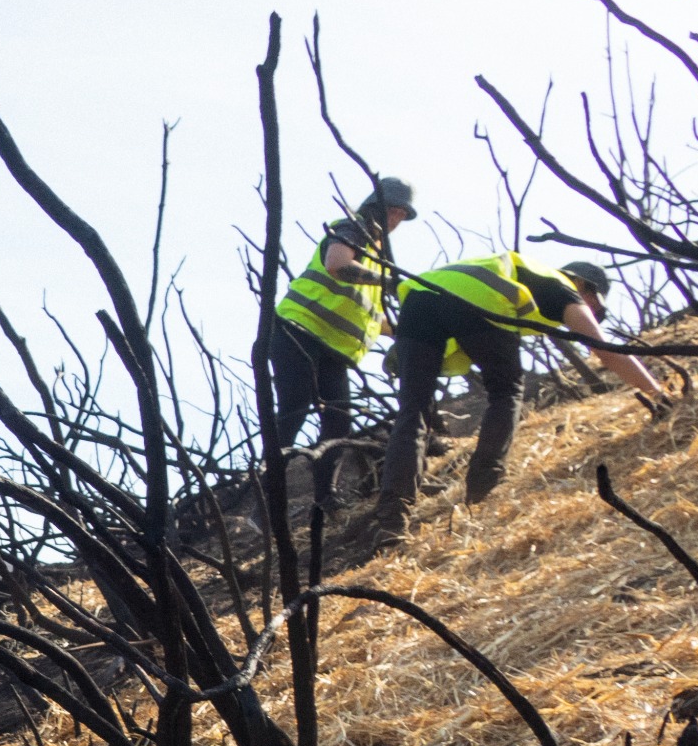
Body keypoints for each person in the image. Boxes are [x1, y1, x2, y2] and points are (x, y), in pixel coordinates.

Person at [372, 253, 669, 535]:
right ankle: (482, 487)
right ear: (585, 287)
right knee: (506, 391)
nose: (594, 313)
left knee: (413, 411)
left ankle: (391, 521)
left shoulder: (522, 273)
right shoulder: (561, 288)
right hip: (475, 299)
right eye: (597, 307)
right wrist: (658, 394)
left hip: (417, 298)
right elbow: (607, 352)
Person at [271, 175, 414, 505]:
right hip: (300, 332)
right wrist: (390, 282)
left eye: (402, 215)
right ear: (378, 207)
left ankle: (326, 497)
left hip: (332, 350)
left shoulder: (375, 251)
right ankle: (269, 485)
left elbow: (367, 316)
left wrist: (410, 328)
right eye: (395, 211)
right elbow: (338, 265)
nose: (397, 220)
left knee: (339, 422)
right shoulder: (354, 228)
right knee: (294, 409)